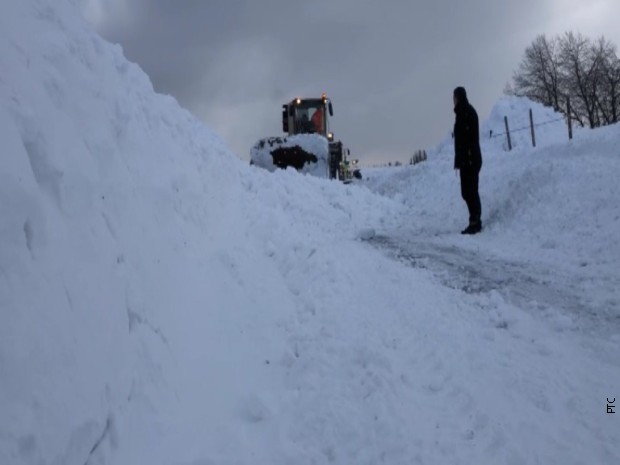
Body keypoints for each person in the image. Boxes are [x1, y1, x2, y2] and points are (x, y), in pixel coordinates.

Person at [453, 86, 482, 234]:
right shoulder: (461, 113)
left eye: (454, 97)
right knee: (466, 192)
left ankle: (475, 222)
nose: (453, 100)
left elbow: (469, 139)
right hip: (466, 160)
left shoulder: (468, 113)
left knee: (471, 191)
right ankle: (474, 220)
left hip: (471, 160)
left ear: (459, 97)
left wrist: (468, 158)